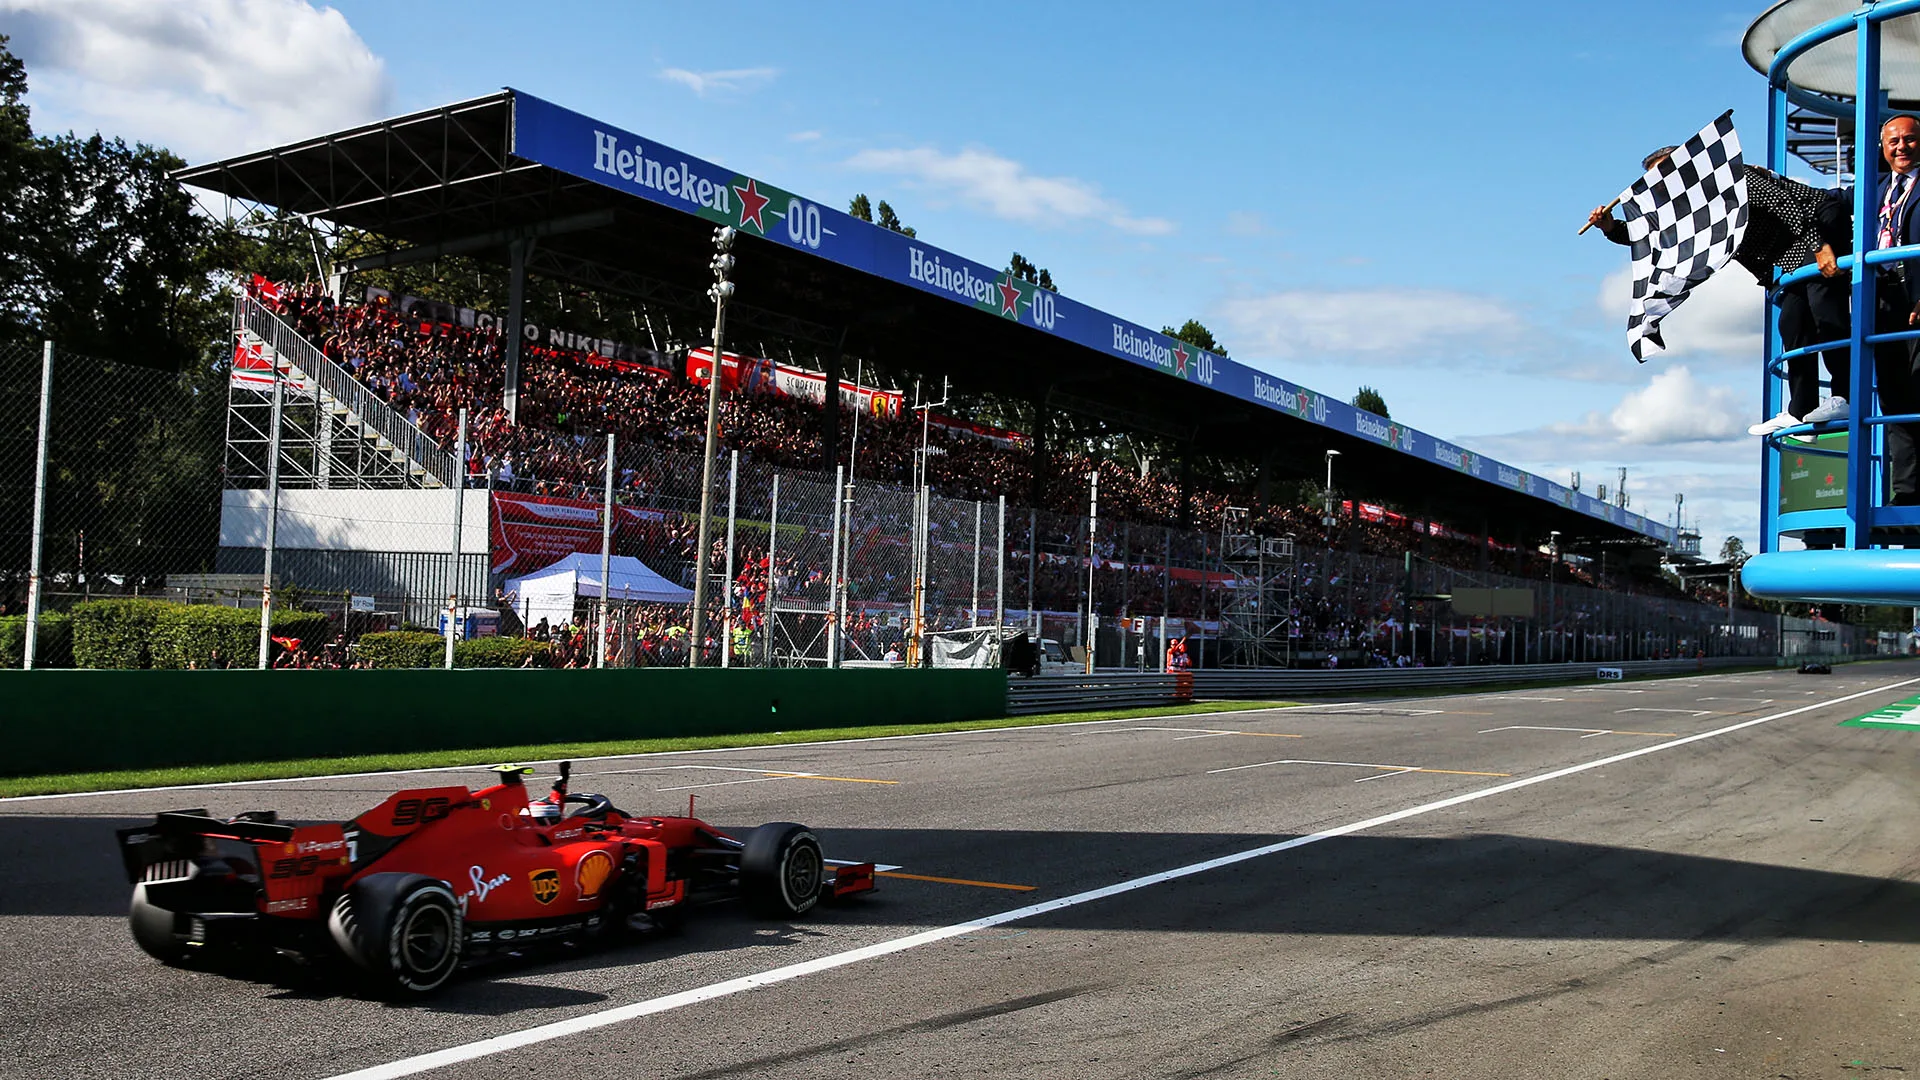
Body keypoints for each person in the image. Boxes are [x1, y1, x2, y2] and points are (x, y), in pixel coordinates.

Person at [1588, 147, 1852, 435]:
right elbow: (1652, 237)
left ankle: (1846, 396)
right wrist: (1611, 227)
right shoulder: (1687, 210)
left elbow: (1786, 205)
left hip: (1816, 225)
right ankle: (1801, 411)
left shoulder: (1733, 178)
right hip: (1787, 251)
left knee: (1825, 308)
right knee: (1792, 322)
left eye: (1668, 173)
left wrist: (1819, 246)